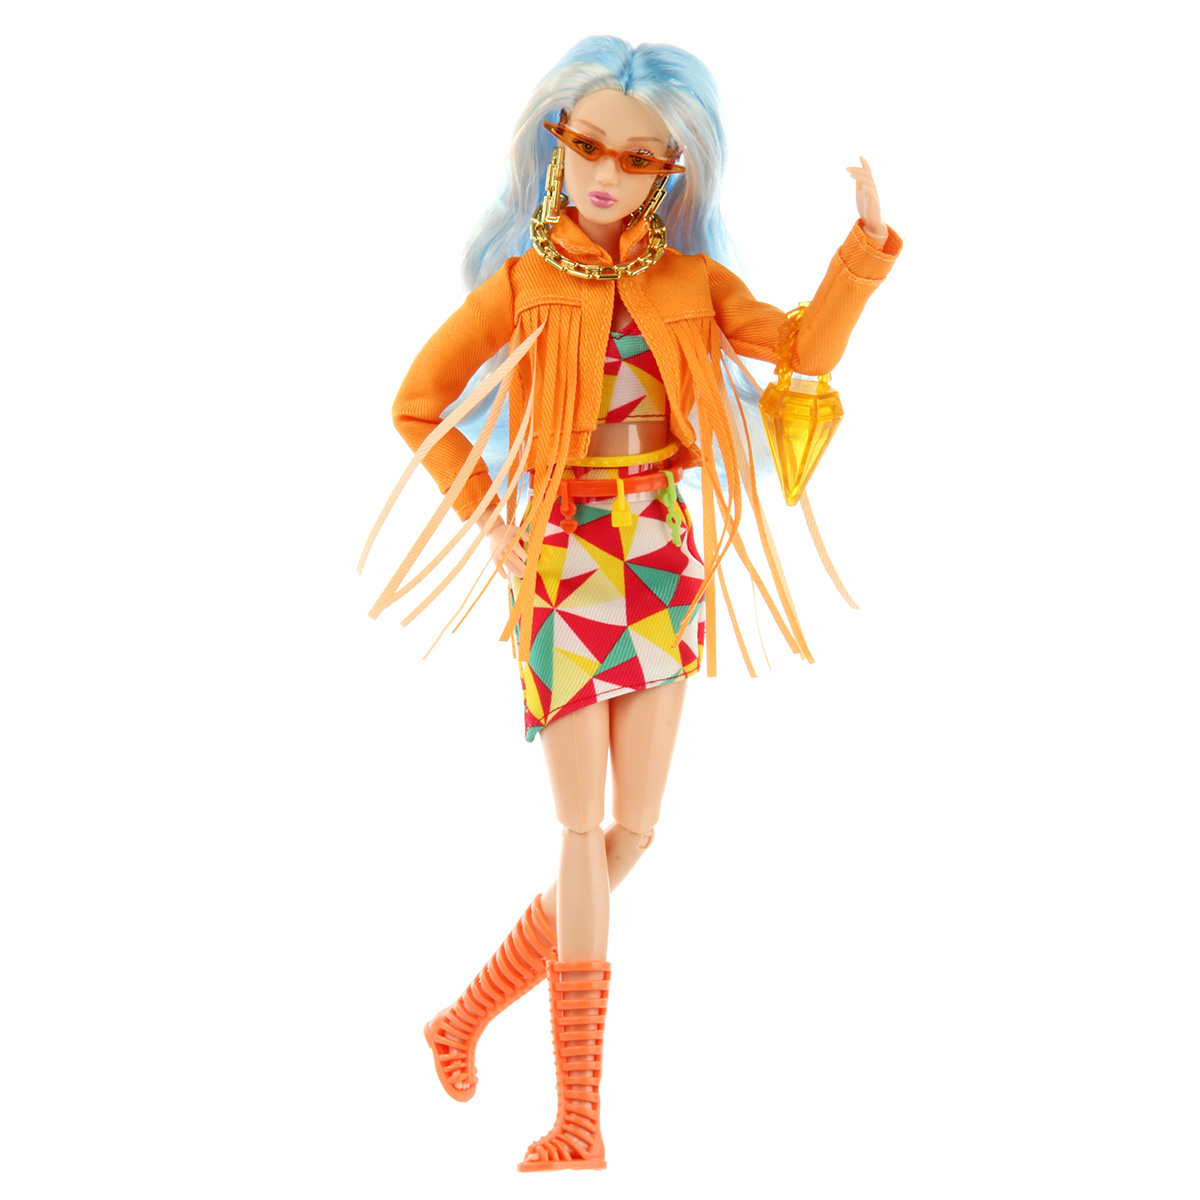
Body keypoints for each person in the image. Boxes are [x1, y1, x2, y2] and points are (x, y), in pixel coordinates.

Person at [366, 36, 902, 1171]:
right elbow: (418, 404)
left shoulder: (691, 284)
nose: (607, 172)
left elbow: (802, 350)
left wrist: (863, 248)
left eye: (639, 157)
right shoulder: (524, 282)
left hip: (660, 554)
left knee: (637, 830)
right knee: (576, 829)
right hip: (563, 557)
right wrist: (491, 518)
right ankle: (578, 1116)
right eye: (590, 146)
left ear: (674, 172)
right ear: (556, 144)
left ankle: (464, 1017)